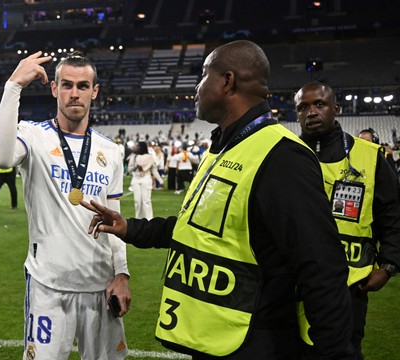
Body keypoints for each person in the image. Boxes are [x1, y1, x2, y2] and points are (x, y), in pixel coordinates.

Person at [80, 40, 354, 359]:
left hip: (257, 342)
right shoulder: (223, 148)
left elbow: (322, 268)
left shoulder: (282, 156)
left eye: (203, 75)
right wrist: (131, 229)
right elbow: (196, 229)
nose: (196, 88)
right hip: (217, 341)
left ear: (227, 81)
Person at [0, 51, 131, 360]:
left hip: (101, 286)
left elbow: (115, 220)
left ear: (94, 91)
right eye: (66, 85)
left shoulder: (111, 150)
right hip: (48, 287)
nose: (74, 93)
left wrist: (122, 274)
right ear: (54, 89)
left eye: (83, 86)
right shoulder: (33, 135)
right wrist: (13, 85)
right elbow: (0, 158)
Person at [295, 81, 400, 360]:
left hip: (348, 285)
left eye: (320, 104)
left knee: (342, 354)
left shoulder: (370, 157)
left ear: (336, 109)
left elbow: (392, 215)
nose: (311, 112)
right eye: (303, 107)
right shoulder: (285, 155)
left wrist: (389, 265)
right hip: (290, 283)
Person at [128, 141, 163, 219]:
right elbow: (129, 170)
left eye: (137, 146)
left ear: (142, 147)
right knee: (137, 201)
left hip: (146, 179)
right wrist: (135, 166)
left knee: (146, 201)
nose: (135, 148)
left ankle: (149, 219)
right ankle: (138, 219)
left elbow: (154, 170)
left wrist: (160, 181)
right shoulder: (133, 157)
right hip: (136, 179)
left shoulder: (150, 157)